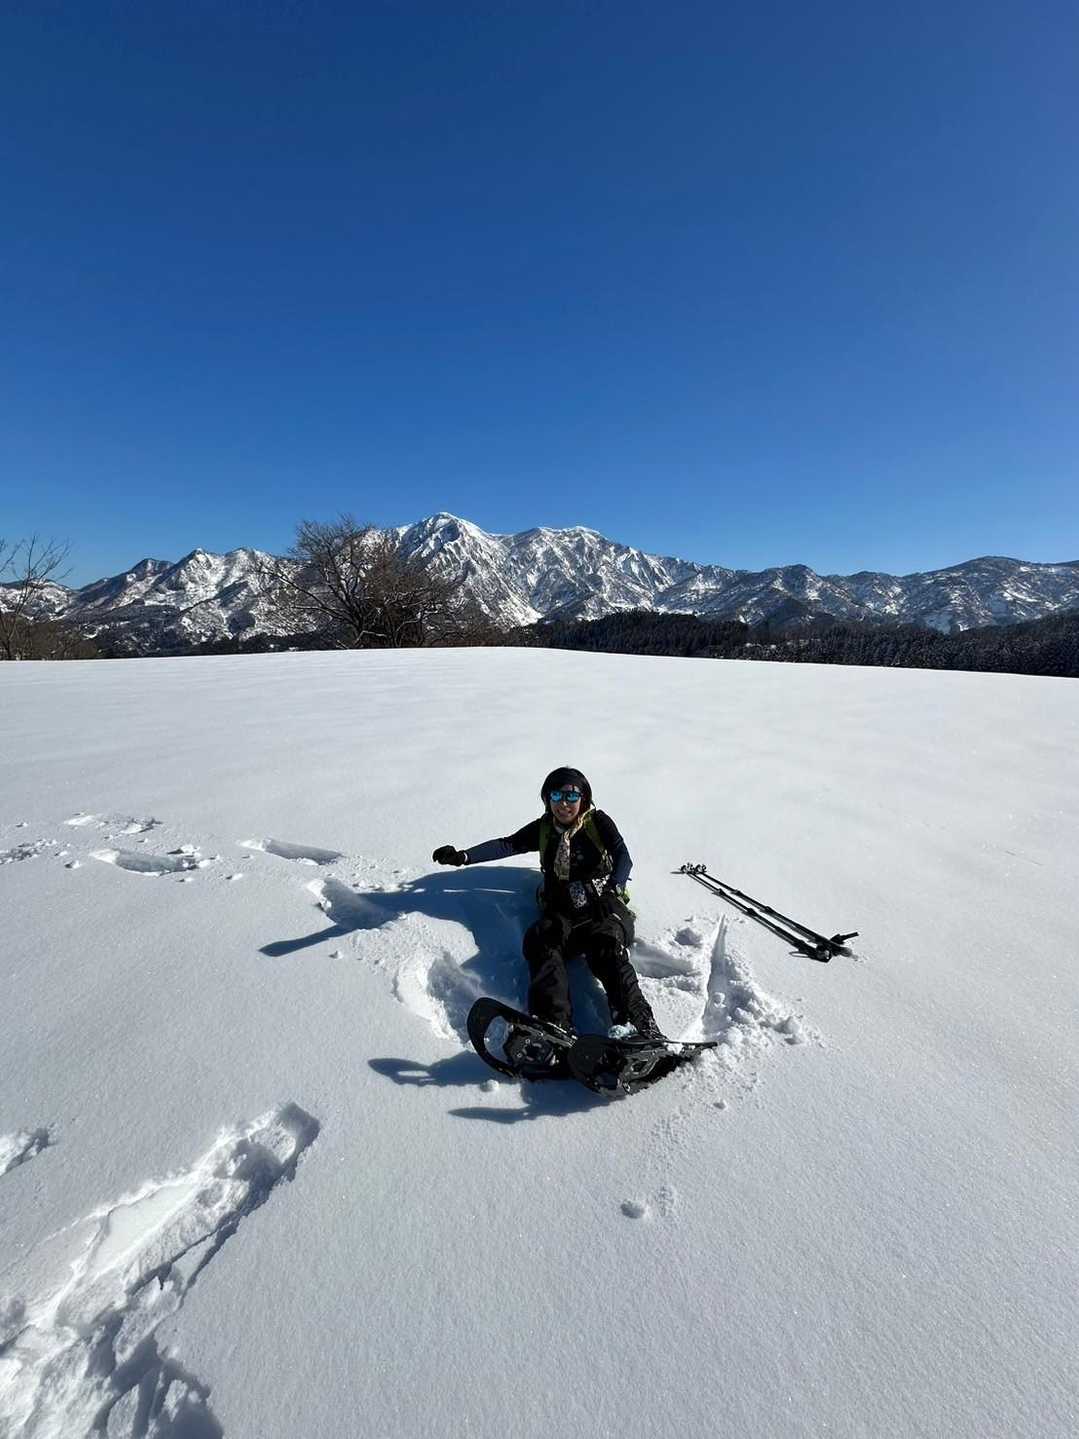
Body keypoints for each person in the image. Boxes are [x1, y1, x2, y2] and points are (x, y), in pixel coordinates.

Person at [432, 766, 662, 1064]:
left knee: (606, 948)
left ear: (583, 798)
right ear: (547, 799)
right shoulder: (544, 829)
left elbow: (623, 857)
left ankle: (637, 1026)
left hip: (602, 908)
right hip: (562, 911)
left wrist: (612, 891)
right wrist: (464, 856)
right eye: (556, 796)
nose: (563, 803)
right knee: (542, 941)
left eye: (571, 796)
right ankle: (553, 1026)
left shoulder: (598, 822)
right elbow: (509, 844)